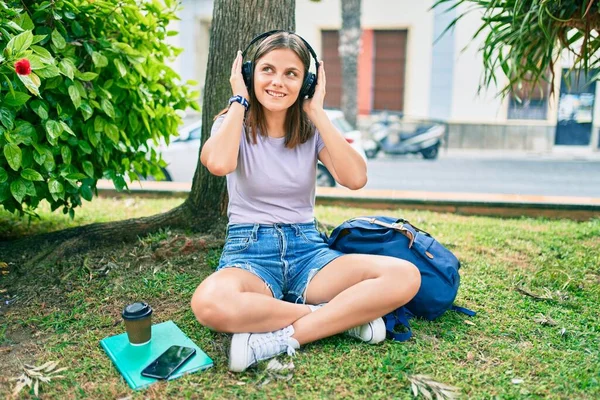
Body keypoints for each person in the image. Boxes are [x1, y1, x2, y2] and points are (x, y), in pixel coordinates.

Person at [191, 31, 420, 373]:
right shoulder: (231, 123)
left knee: (405, 275)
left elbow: (355, 179)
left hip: (308, 250)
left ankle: (282, 338)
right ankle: (336, 318)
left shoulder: (311, 131)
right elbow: (220, 164)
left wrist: (319, 113)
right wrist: (239, 99)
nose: (278, 82)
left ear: (307, 83)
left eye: (292, 74)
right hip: (249, 251)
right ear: (250, 74)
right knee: (208, 303)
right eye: (267, 70)